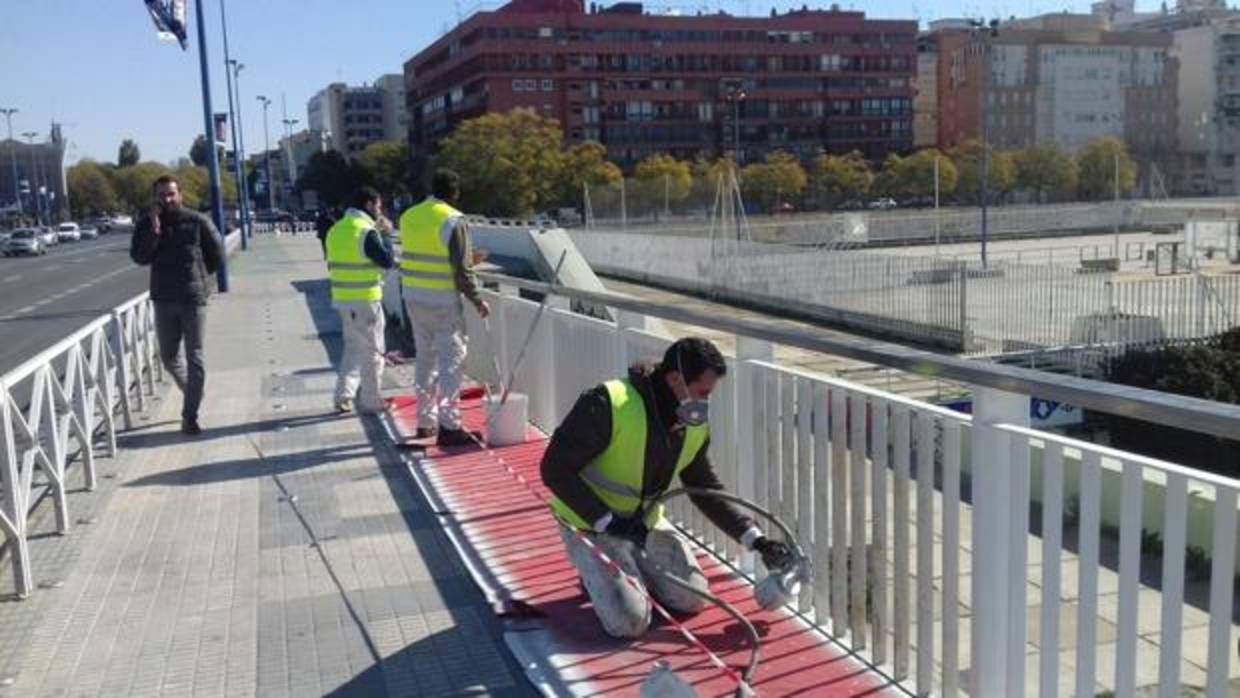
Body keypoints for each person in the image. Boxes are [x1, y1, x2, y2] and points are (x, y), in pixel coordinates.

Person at [541, 337, 795, 639]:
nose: (705, 402)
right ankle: (597, 571)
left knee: (692, 599)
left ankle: (629, 571)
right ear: (675, 380)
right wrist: (607, 521)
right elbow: (554, 468)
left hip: (643, 524)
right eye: (703, 392)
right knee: (629, 623)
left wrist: (757, 540)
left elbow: (704, 487)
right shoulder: (608, 403)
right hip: (591, 524)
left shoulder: (692, 424)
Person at [398, 169, 489, 447]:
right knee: (452, 362)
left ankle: (425, 422)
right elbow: (462, 270)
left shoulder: (409, 216)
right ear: (455, 192)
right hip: (442, 301)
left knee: (425, 359)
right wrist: (477, 300)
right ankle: (450, 426)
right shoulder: (453, 220)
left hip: (413, 296)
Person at [129, 174, 225, 436]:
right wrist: (154, 231)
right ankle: (194, 393)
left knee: (195, 357)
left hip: (193, 299)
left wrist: (200, 279)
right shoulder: (146, 224)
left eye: (171, 194)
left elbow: (217, 254)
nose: (167, 199)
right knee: (169, 357)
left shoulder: (198, 221)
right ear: (155, 197)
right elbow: (139, 257)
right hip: (163, 299)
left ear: (180, 194)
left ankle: (189, 415)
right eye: (162, 195)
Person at [326, 187, 397, 414]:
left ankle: (343, 396)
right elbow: (387, 261)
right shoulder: (366, 231)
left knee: (353, 349)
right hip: (366, 299)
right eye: (378, 206)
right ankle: (372, 400)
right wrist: (385, 234)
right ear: (368, 204)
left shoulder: (335, 230)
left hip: (342, 299)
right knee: (373, 352)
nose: (380, 211)